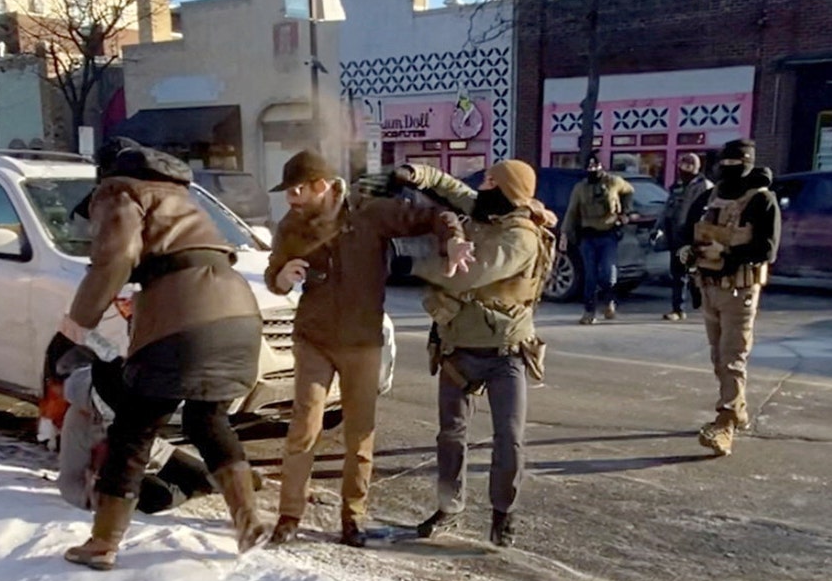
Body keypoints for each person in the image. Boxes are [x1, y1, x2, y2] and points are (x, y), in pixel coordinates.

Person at [59, 138, 266, 570]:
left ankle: (102, 544)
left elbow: (116, 257)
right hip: (238, 310)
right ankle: (247, 519)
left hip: (184, 318)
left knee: (133, 430)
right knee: (207, 419)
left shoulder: (120, 191)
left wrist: (80, 319)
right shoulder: (178, 194)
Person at [264, 150, 472, 548]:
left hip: (362, 341)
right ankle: (289, 516)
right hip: (314, 338)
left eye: (296, 190)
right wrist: (281, 277)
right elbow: (275, 270)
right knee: (304, 427)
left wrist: (454, 242)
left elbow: (432, 217)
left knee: (360, 435)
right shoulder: (292, 224)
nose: (290, 199)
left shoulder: (370, 212)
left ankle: (352, 519)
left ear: (322, 186)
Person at [390, 160, 557, 547]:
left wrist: (410, 264)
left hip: (505, 353)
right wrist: (417, 173)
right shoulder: (487, 209)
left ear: (508, 189)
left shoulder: (521, 237)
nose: (481, 186)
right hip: (457, 348)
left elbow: (471, 273)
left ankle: (503, 514)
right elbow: (451, 188)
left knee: (509, 438)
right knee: (450, 435)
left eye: (490, 180)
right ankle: (450, 509)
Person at [678, 139, 781, 457]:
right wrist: (688, 253)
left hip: (739, 290)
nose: (726, 171)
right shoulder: (712, 195)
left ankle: (725, 423)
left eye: (732, 165)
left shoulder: (762, 200)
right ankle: (738, 411)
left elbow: (767, 249)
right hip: (709, 285)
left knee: (732, 357)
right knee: (718, 357)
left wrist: (728, 252)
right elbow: (689, 230)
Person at [57, 358, 218, 515]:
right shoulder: (87, 419)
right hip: (103, 480)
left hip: (148, 452)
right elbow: (108, 459)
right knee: (162, 497)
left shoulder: (125, 386)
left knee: (208, 479)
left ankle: (176, 486)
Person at [561, 153, 636, 324]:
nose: (592, 169)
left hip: (608, 234)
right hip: (588, 236)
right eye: (589, 166)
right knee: (590, 276)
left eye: (595, 165)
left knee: (608, 274)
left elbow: (629, 191)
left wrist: (625, 213)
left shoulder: (613, 182)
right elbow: (572, 212)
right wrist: (565, 233)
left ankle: (609, 301)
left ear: (601, 166)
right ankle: (589, 311)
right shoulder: (580, 188)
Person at [655, 153, 714, 321]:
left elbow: (709, 211)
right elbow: (668, 208)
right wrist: (659, 228)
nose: (684, 169)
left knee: (697, 273)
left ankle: (705, 306)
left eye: (689, 165)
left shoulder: (705, 186)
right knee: (678, 273)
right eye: (682, 165)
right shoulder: (678, 186)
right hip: (677, 235)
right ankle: (678, 309)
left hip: (695, 235)